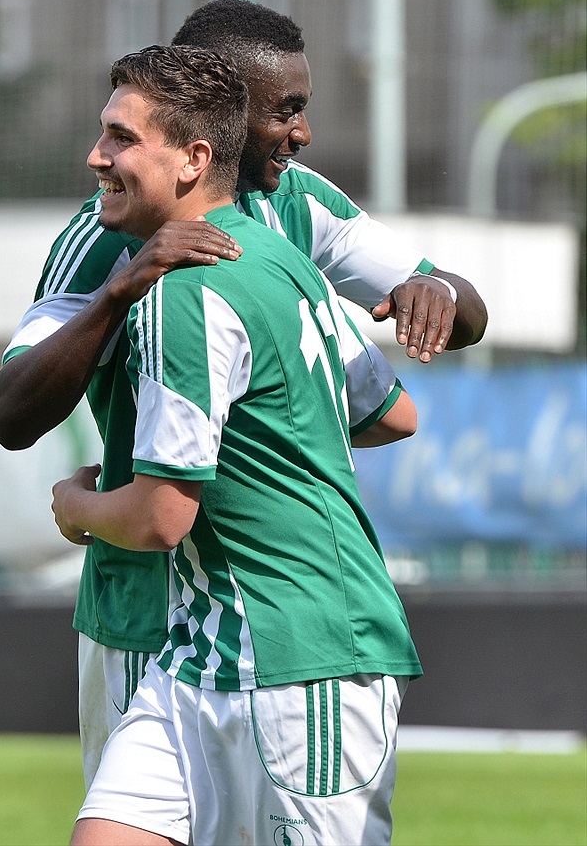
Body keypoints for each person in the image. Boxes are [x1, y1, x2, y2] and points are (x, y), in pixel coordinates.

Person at [0, 0, 486, 787]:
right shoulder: (101, 238)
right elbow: (11, 413)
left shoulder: (297, 209)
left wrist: (446, 294)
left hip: (266, 619)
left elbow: (419, 358)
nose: (303, 132)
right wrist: (121, 289)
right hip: (141, 616)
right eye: (285, 111)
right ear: (216, 117)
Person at [52, 43, 422, 846]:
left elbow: (159, 519)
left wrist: (75, 504)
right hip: (199, 646)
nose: (96, 157)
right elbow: (392, 414)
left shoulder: (187, 290)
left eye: (119, 138)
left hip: (303, 654)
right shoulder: (284, 258)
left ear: (193, 159)